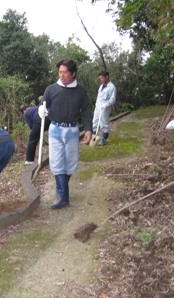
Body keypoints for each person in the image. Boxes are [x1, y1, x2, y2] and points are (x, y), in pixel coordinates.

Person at [39, 59, 92, 209]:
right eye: (60, 72)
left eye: (65, 72)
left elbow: (87, 110)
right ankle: (63, 197)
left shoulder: (80, 92)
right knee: (56, 163)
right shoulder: (51, 89)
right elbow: (43, 104)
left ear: (73, 74)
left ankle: (61, 189)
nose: (61, 75)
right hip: (55, 129)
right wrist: (41, 110)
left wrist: (88, 129)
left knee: (70, 164)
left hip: (72, 131)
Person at [92, 71, 116, 145]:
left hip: (105, 109)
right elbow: (99, 97)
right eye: (100, 78)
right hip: (98, 107)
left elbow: (112, 99)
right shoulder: (101, 86)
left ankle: (103, 139)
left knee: (104, 124)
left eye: (102, 78)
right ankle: (93, 139)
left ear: (107, 77)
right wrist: (97, 105)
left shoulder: (112, 87)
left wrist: (105, 105)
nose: (101, 79)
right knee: (94, 123)